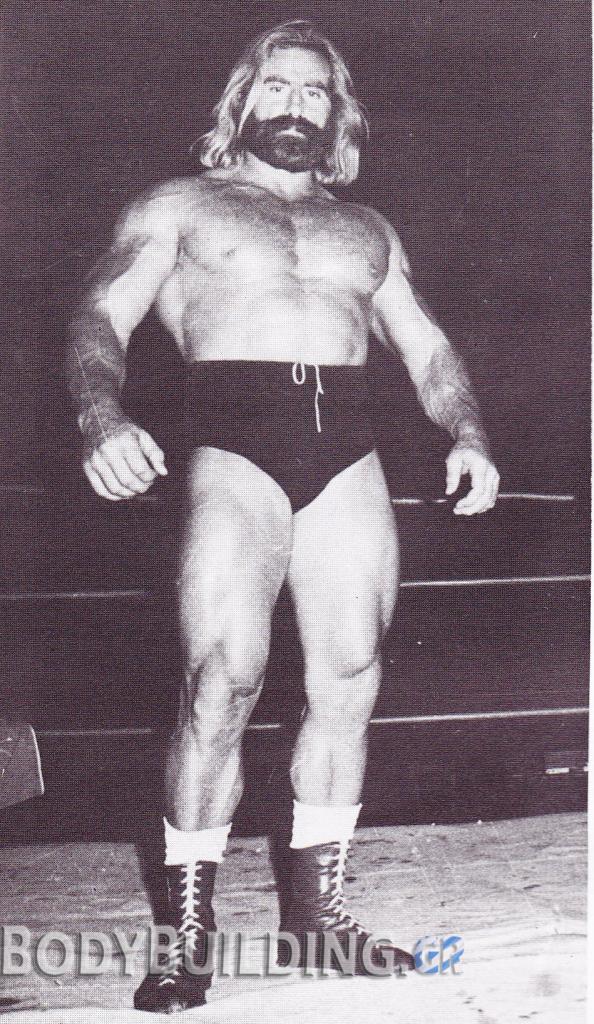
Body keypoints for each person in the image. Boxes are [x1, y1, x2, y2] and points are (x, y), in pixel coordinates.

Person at [66, 19, 499, 1013]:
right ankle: (186, 935)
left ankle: (319, 919)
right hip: (233, 438)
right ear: (243, 101)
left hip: (348, 447)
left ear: (336, 113)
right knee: (221, 677)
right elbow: (98, 316)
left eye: (314, 91)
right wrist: (100, 415)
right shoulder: (179, 205)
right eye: (276, 86)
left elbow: (428, 350)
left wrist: (469, 433)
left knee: (349, 675)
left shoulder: (368, 229)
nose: (295, 105)